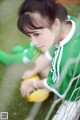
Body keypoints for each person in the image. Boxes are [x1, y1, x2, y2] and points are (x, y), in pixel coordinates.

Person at [17, 0, 80, 119]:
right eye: (29, 36)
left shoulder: (63, 59)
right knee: (41, 61)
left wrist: (32, 83)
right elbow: (50, 54)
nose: (33, 43)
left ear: (55, 24)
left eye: (36, 34)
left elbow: (55, 84)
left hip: (76, 95)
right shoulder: (68, 22)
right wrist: (34, 71)